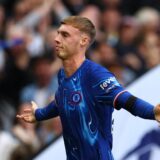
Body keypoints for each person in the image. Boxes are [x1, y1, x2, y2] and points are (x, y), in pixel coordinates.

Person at [17, 16, 160, 160]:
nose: (56, 39)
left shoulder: (95, 75)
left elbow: (126, 99)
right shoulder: (62, 75)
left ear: (83, 41)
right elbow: (62, 101)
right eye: (58, 33)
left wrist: (153, 111)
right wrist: (39, 114)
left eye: (65, 35)